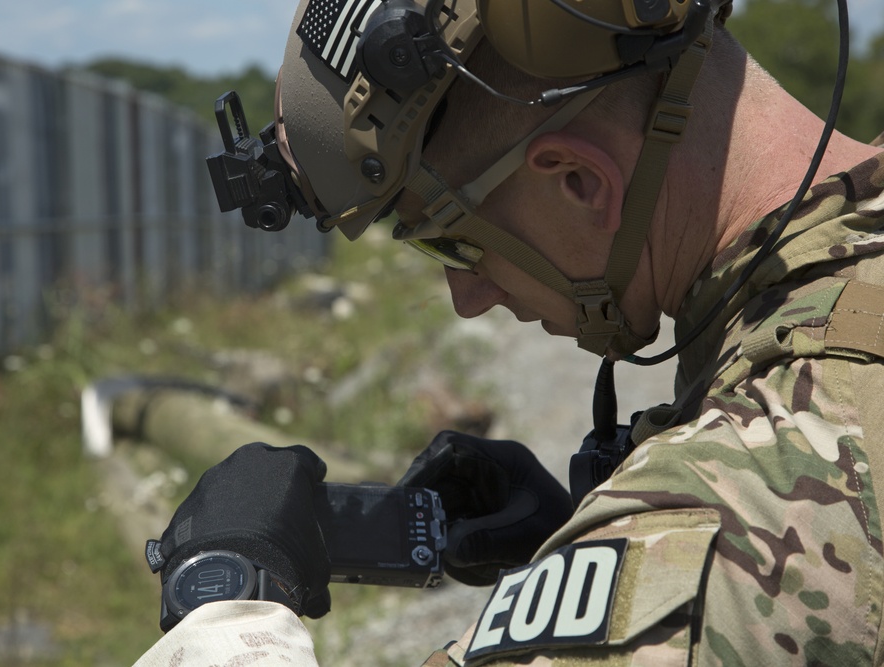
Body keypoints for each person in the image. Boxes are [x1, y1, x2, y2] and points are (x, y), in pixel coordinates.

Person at [135, 0, 884, 664]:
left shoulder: (753, 504)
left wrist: (225, 609)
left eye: (450, 243)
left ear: (578, 181)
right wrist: (590, 536)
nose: (466, 297)